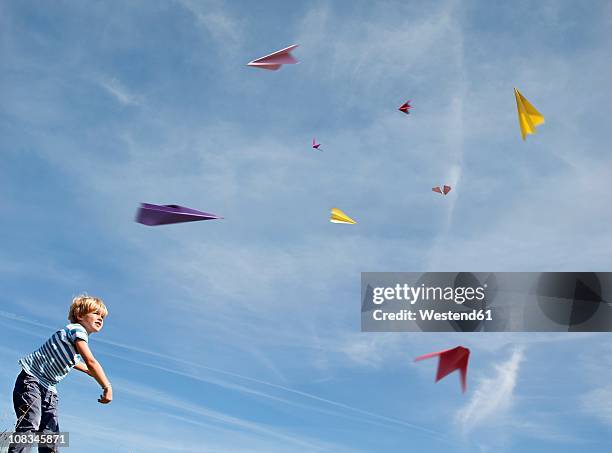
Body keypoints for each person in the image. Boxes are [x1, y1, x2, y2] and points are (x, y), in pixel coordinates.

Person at [8, 294, 112, 452]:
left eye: (103, 316)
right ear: (79, 316)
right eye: (96, 313)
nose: (100, 318)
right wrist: (106, 386)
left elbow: (76, 362)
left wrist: (90, 372)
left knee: (50, 434)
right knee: (30, 423)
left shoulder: (73, 342)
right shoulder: (76, 330)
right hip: (32, 380)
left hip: (49, 390)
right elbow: (90, 361)